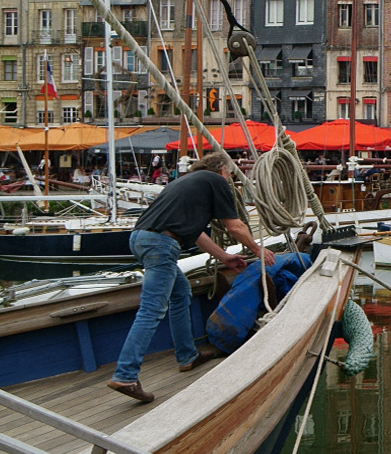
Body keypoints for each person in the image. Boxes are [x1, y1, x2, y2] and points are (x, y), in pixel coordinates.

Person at [109, 151, 274, 403]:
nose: (229, 180)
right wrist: (256, 249)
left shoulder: (185, 182)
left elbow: (195, 233)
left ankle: (187, 356)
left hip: (142, 239)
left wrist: (224, 257)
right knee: (152, 309)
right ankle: (126, 375)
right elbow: (235, 226)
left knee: (180, 293)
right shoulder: (215, 181)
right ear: (222, 170)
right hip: (161, 244)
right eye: (230, 175)